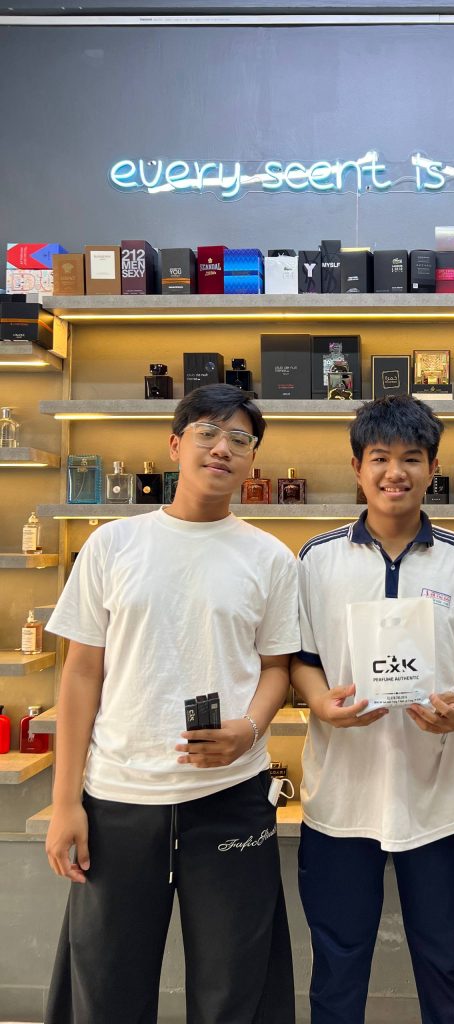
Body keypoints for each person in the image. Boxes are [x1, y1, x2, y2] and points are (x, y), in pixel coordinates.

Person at [44, 384, 299, 1024]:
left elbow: (277, 669)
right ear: (175, 444)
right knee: (105, 984)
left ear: (253, 458)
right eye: (208, 433)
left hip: (231, 795)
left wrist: (248, 729)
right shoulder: (112, 545)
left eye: (239, 439)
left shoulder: (270, 558)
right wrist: (65, 801)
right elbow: (80, 674)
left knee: (236, 986)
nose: (222, 449)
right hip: (118, 798)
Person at [292, 395, 454, 1024]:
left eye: (411, 457)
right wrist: (320, 701)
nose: (394, 472)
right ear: (357, 467)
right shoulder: (317, 558)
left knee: (447, 965)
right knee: (337, 967)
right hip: (340, 801)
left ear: (432, 467)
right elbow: (300, 658)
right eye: (379, 457)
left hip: (436, 800)